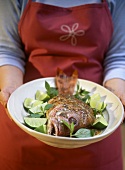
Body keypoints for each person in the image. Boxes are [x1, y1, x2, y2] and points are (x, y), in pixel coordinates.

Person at [0, 0, 125, 169]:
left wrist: (116, 92)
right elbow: (8, 50)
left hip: (97, 144)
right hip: (23, 122)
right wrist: (11, 88)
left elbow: (118, 55)